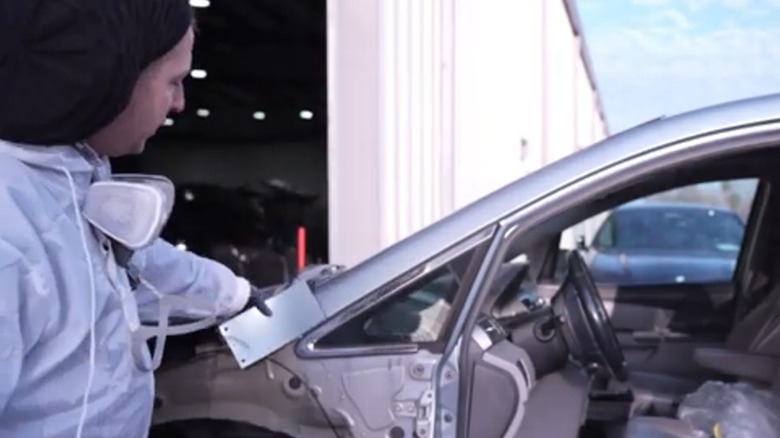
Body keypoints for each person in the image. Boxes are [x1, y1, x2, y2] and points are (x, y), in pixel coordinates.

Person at [0, 0, 274, 436]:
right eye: (174, 81)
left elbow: (137, 266)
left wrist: (236, 294)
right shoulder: (11, 237)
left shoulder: (67, 180)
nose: (181, 102)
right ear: (109, 77)